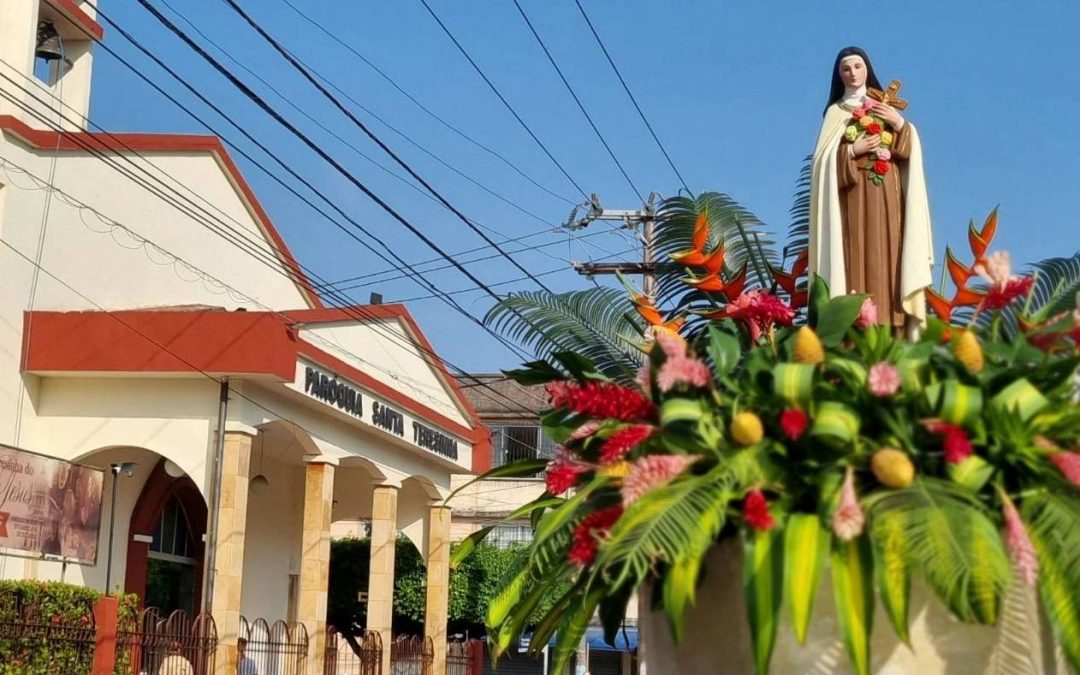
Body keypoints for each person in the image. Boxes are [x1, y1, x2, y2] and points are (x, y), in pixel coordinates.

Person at [809, 46, 934, 334]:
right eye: (846, 69)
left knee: (889, 251)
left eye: (857, 66)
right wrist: (853, 149)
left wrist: (898, 122)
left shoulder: (884, 105)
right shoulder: (835, 112)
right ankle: (854, 322)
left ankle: (892, 324)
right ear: (839, 76)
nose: (852, 73)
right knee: (855, 254)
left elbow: (908, 150)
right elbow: (822, 164)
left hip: (887, 192)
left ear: (867, 69)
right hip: (852, 197)